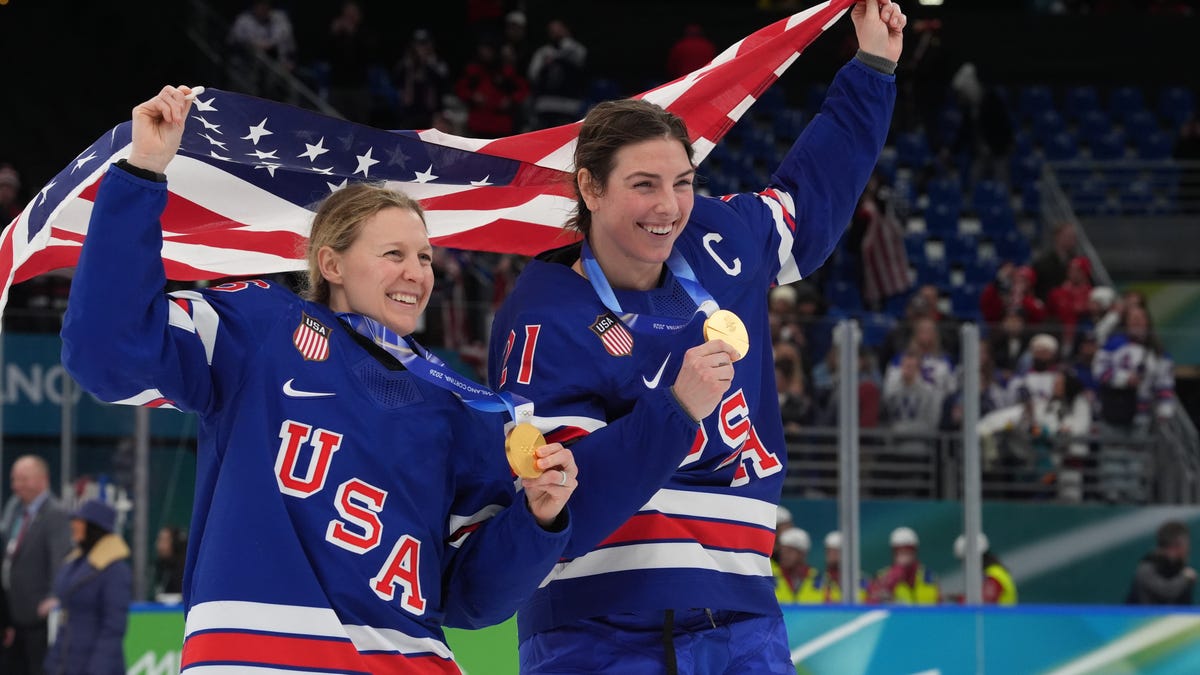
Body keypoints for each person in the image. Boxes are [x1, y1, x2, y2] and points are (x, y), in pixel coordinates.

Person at [59, 85, 580, 672]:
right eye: (394, 254)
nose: (417, 273)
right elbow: (108, 353)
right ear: (330, 264)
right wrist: (143, 172)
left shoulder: (462, 405)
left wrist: (538, 519)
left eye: (426, 257)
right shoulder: (260, 327)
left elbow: (471, 600)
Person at [487, 2, 904, 671]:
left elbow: (810, 199)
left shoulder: (719, 237)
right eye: (643, 185)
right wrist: (675, 409)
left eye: (682, 182)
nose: (668, 206)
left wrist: (873, 68)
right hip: (596, 629)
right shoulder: (541, 315)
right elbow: (562, 509)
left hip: (741, 618)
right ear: (590, 188)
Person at [42, 499, 131, 675]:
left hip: (93, 665)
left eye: (80, 521)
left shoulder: (115, 570)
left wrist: (98, 669)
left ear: (94, 527)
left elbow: (113, 628)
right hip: (66, 662)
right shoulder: (76, 560)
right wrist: (53, 662)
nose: (74, 525)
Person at [1, 455, 72, 675]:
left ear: (42, 480)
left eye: (23, 479)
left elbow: (60, 559)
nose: (16, 485)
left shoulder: (55, 513)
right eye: (14, 479)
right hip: (12, 614)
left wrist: (54, 596)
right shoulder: (13, 508)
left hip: (39, 617)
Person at [1127, 520, 1195, 605]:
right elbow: (1167, 592)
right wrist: (1185, 579)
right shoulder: (1146, 569)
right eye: (1186, 545)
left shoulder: (1180, 570)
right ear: (1176, 546)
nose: (1188, 549)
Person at [869, 526, 940, 604]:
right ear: (893, 553)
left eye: (908, 550)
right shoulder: (882, 577)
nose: (904, 556)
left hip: (925, 616)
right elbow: (870, 606)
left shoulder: (929, 577)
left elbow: (940, 607)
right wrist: (889, 584)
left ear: (915, 551)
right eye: (899, 551)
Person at [951, 533, 1016, 605]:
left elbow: (982, 603)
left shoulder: (995, 576)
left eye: (964, 559)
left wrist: (959, 601)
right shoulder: (990, 573)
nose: (963, 564)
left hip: (1003, 616)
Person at [815, 531, 868, 603]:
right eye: (828, 551)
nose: (831, 555)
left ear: (847, 553)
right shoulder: (818, 581)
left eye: (835, 551)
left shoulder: (862, 580)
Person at [773, 528, 823, 604]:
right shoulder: (770, 578)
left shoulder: (821, 580)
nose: (784, 555)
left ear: (802, 553)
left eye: (789, 551)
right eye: (782, 550)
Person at [153, 525, 187, 603]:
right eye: (159, 540)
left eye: (165, 540)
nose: (160, 546)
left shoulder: (184, 569)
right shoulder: (159, 566)